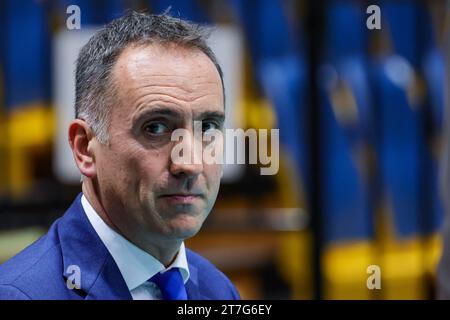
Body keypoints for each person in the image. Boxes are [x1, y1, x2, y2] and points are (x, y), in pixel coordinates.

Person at [0, 11, 240, 300]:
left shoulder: (218, 290)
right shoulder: (20, 294)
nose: (189, 164)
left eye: (208, 127)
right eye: (156, 127)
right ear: (84, 148)